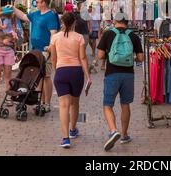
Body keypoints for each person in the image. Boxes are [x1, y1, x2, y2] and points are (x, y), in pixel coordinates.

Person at [97, 13, 144, 151]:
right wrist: (130, 58)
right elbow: (141, 58)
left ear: (115, 21)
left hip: (112, 74)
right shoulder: (133, 36)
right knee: (125, 104)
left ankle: (113, 130)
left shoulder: (107, 34)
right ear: (127, 22)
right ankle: (124, 135)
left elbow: (100, 56)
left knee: (107, 105)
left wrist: (111, 55)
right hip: (128, 74)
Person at [12, 0, 59, 113]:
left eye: (37, 2)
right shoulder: (36, 14)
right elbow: (23, 16)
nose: (36, 4)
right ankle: (39, 101)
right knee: (38, 76)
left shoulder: (50, 16)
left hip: (45, 50)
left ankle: (47, 103)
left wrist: (50, 46)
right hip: (35, 49)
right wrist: (13, 8)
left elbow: (53, 33)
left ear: (44, 3)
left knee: (46, 76)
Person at [50, 12, 91, 148]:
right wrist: (88, 76)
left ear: (62, 22)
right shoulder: (79, 38)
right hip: (76, 71)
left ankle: (65, 138)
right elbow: (83, 58)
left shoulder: (55, 37)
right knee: (74, 103)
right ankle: (73, 129)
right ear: (74, 23)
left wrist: (57, 71)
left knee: (63, 105)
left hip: (61, 71)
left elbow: (53, 58)